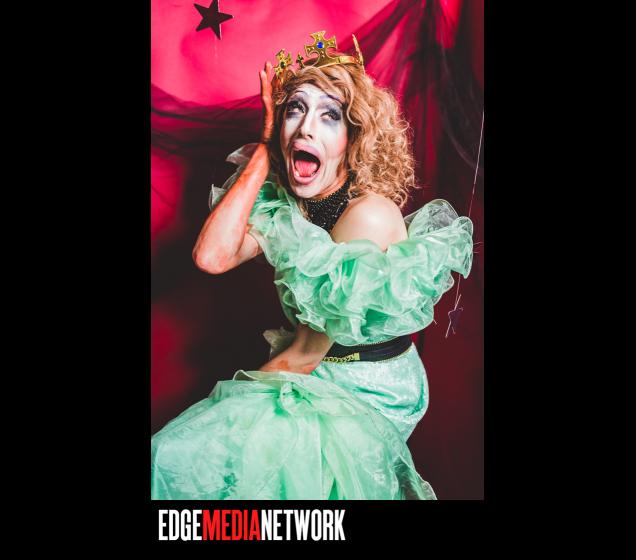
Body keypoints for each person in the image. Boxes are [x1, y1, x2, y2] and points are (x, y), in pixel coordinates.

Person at [151, 31, 474, 500]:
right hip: (315, 365)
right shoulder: (293, 203)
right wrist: (264, 151)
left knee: (198, 460)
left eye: (330, 115)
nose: (305, 129)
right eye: (295, 109)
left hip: (366, 385)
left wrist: (220, 420)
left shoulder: (366, 217)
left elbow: (304, 354)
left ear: (352, 138)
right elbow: (212, 256)